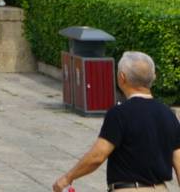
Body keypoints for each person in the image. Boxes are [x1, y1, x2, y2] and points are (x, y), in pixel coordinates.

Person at [52, 51, 180, 192]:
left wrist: (67, 177)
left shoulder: (119, 113)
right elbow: (178, 161)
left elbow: (97, 156)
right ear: (153, 77)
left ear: (122, 77)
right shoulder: (168, 114)